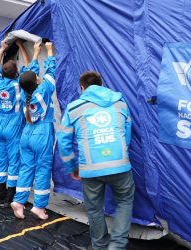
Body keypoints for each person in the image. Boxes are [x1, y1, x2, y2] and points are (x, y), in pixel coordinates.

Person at [57, 71, 135, 250]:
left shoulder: (74, 108)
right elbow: (127, 133)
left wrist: (72, 167)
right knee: (124, 202)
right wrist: (121, 154)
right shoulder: (120, 103)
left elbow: (63, 141)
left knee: (94, 209)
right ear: (101, 84)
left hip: (90, 168)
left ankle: (99, 246)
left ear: (82, 88)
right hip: (120, 165)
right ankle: (117, 245)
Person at [11, 42, 56, 220]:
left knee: (26, 168)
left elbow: (27, 75)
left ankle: (19, 201)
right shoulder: (43, 90)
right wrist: (49, 49)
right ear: (36, 81)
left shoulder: (24, 93)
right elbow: (51, 71)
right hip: (42, 134)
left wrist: (36, 53)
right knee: (42, 170)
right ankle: (38, 207)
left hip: (27, 134)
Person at [0, 39, 35, 203]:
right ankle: (10, 195)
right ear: (16, 74)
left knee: (0, 159)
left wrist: (1, 50)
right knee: (14, 160)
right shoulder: (18, 84)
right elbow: (30, 69)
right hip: (13, 126)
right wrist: (22, 46)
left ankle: (0, 192)